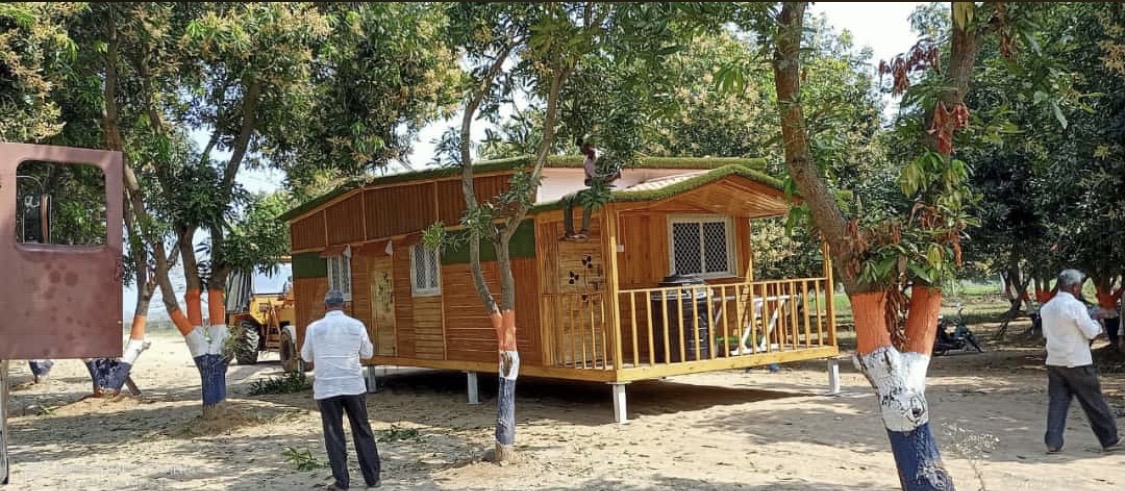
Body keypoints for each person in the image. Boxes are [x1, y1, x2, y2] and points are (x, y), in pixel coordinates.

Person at [300, 290, 381, 489]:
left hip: (327, 387)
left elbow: (306, 356)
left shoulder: (313, 328)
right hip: (353, 385)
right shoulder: (356, 325)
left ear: (325, 306)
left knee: (333, 433)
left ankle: (341, 482)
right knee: (362, 429)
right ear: (344, 305)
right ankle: (373, 478)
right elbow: (368, 353)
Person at [1039, 269, 1123, 454]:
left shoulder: (1047, 307)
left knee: (1058, 402)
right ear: (1075, 287)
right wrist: (1096, 321)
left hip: (1055, 360)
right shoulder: (1076, 306)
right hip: (1077, 360)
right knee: (1093, 401)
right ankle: (1110, 439)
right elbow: (1090, 332)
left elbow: (1046, 334)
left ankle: (1053, 442)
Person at [560, 140, 620, 241]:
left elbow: (618, 174)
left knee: (588, 197)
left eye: (584, 149)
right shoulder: (586, 162)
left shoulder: (604, 156)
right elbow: (587, 180)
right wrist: (590, 182)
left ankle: (584, 232)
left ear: (590, 146)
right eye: (582, 150)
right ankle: (569, 232)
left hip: (606, 188)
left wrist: (603, 181)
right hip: (594, 187)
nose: (583, 152)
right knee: (566, 198)